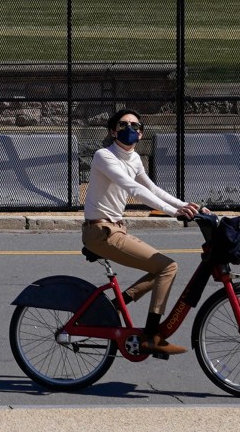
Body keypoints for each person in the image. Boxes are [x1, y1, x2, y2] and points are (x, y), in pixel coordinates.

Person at [82, 110, 201, 356]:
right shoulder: (104, 156)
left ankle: (114, 306)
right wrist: (172, 212)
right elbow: (133, 188)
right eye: (123, 124)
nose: (129, 128)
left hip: (115, 229)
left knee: (162, 268)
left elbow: (152, 188)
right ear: (113, 131)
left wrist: (186, 206)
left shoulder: (134, 159)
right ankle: (150, 336)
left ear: (141, 132)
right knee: (168, 267)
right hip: (101, 231)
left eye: (135, 125)